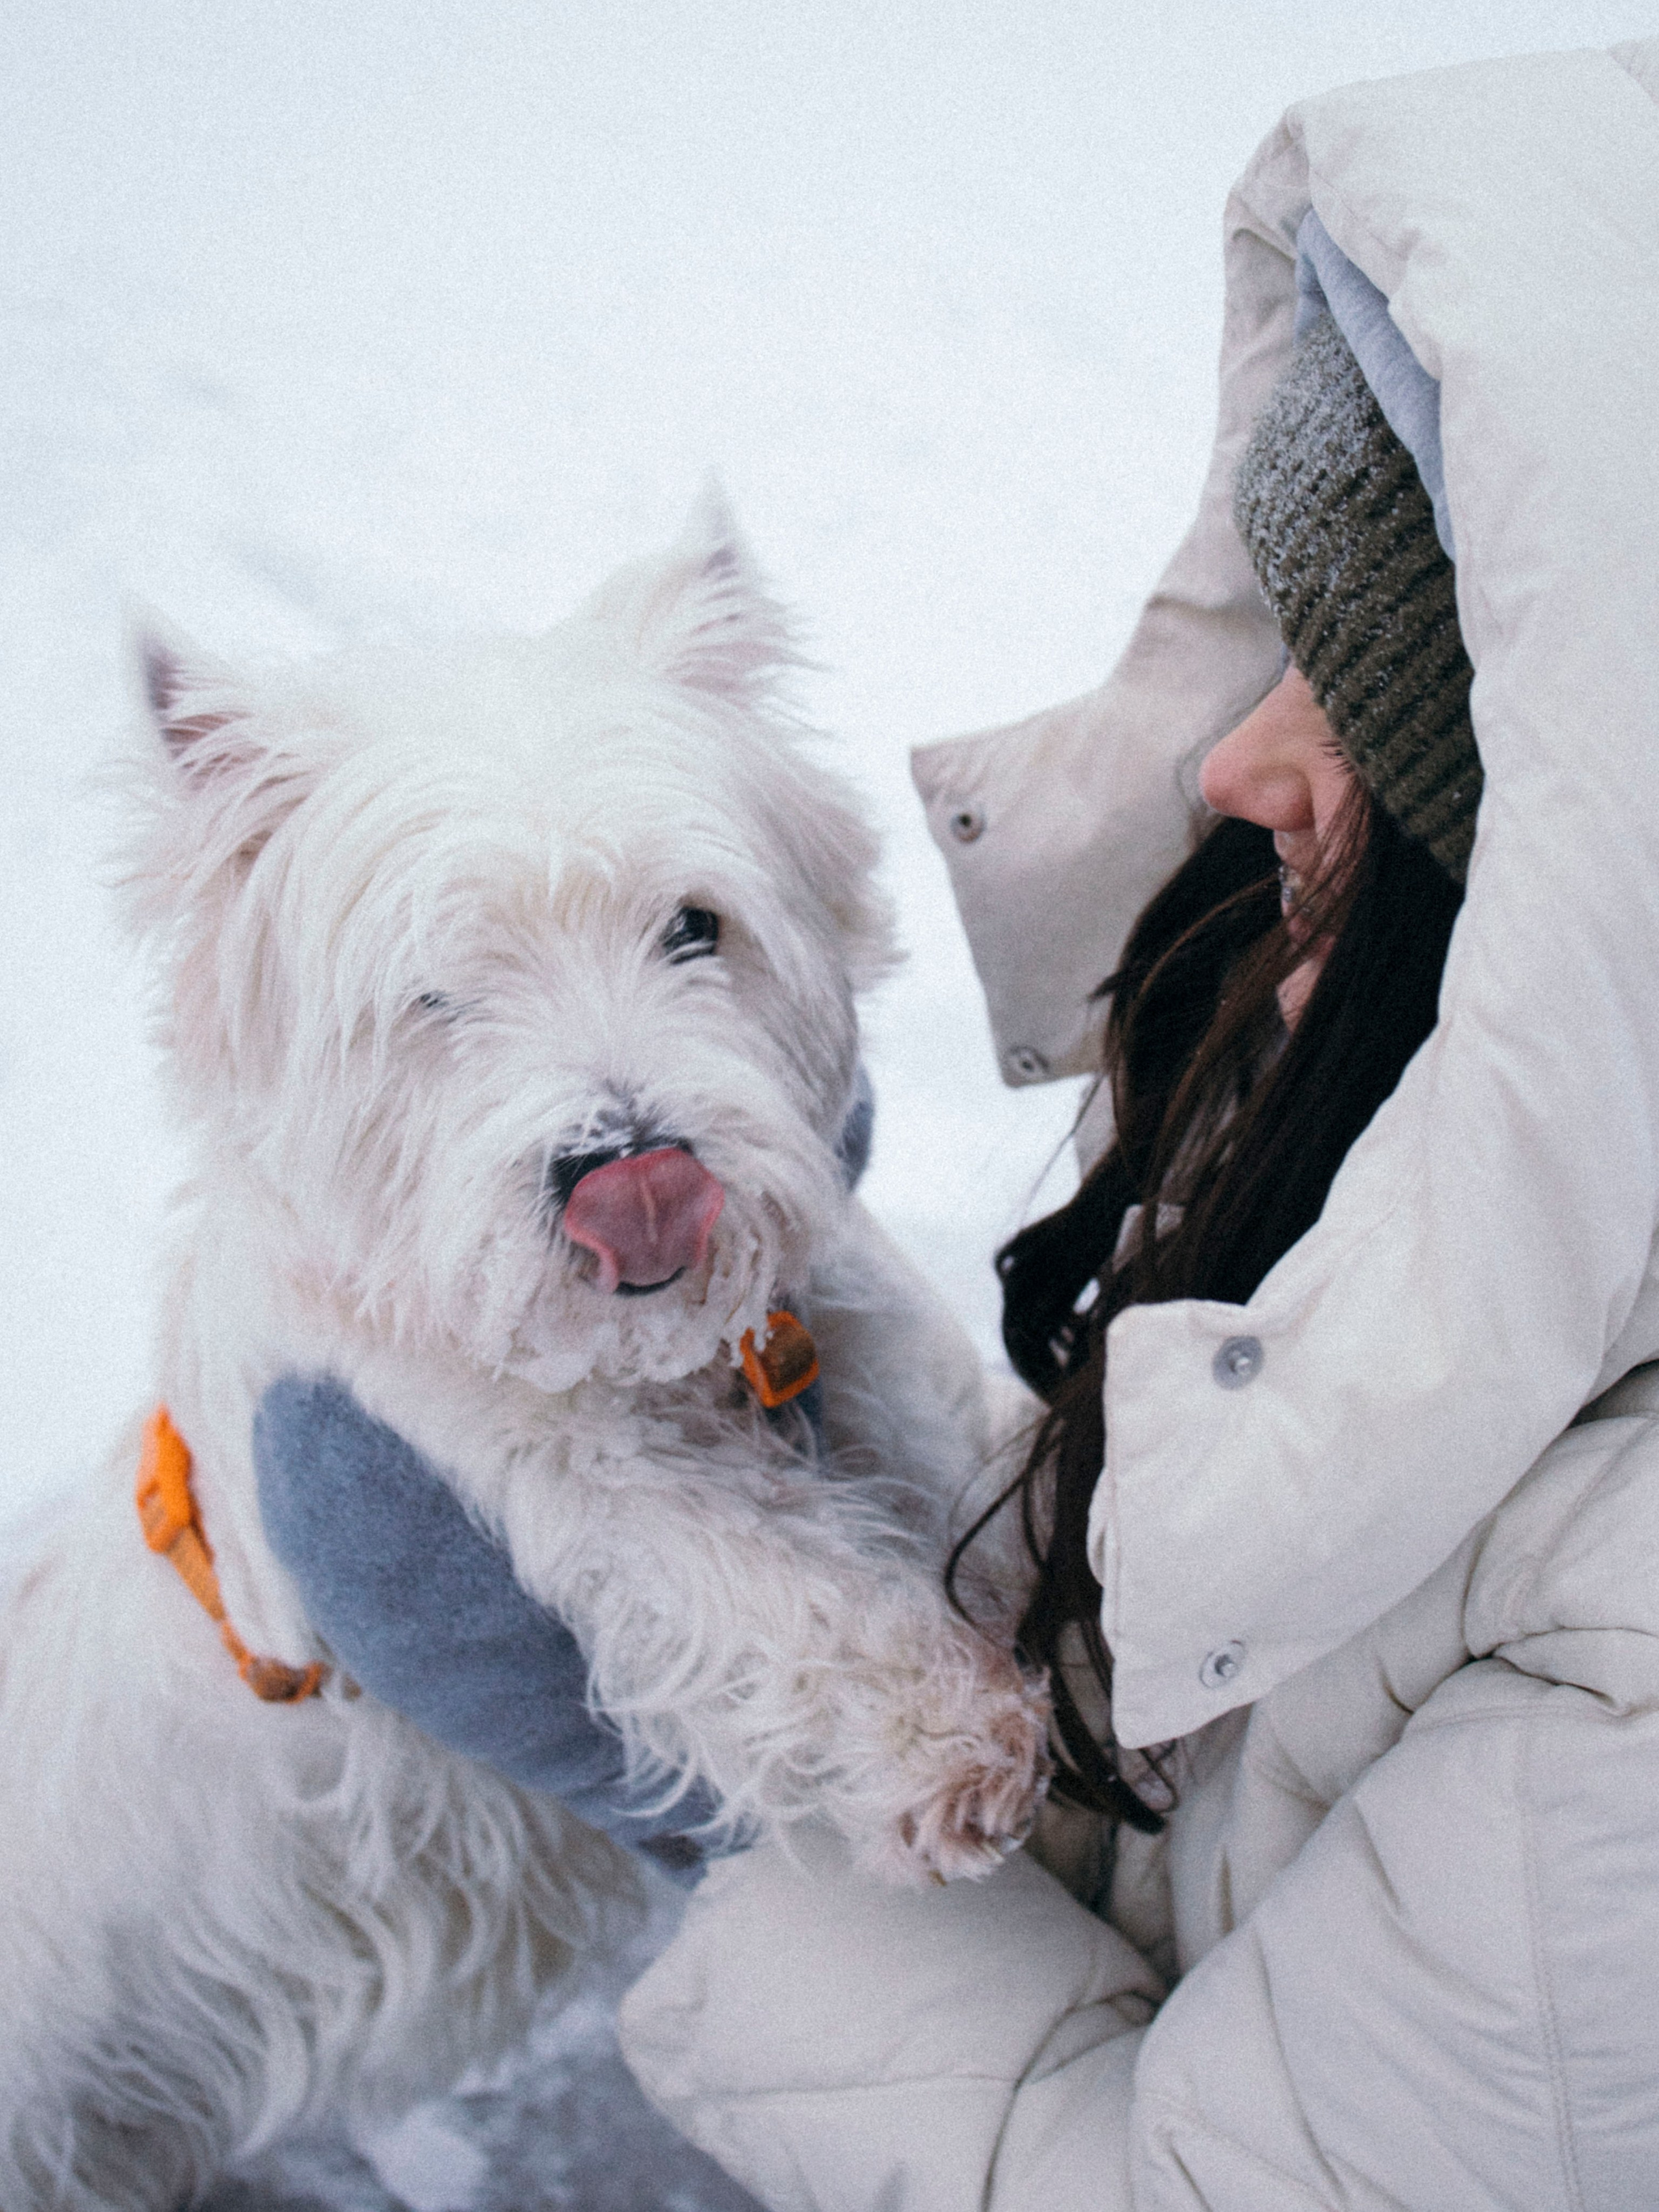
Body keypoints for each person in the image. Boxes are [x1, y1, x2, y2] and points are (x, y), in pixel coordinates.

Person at [256, 36, 1659, 2209]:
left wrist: (743, 1836)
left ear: (1581, 840)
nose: (1233, 766)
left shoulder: (1627, 1632)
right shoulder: (1385, 1060)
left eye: (1375, 696)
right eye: (1280, 643)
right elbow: (1246, 1611)